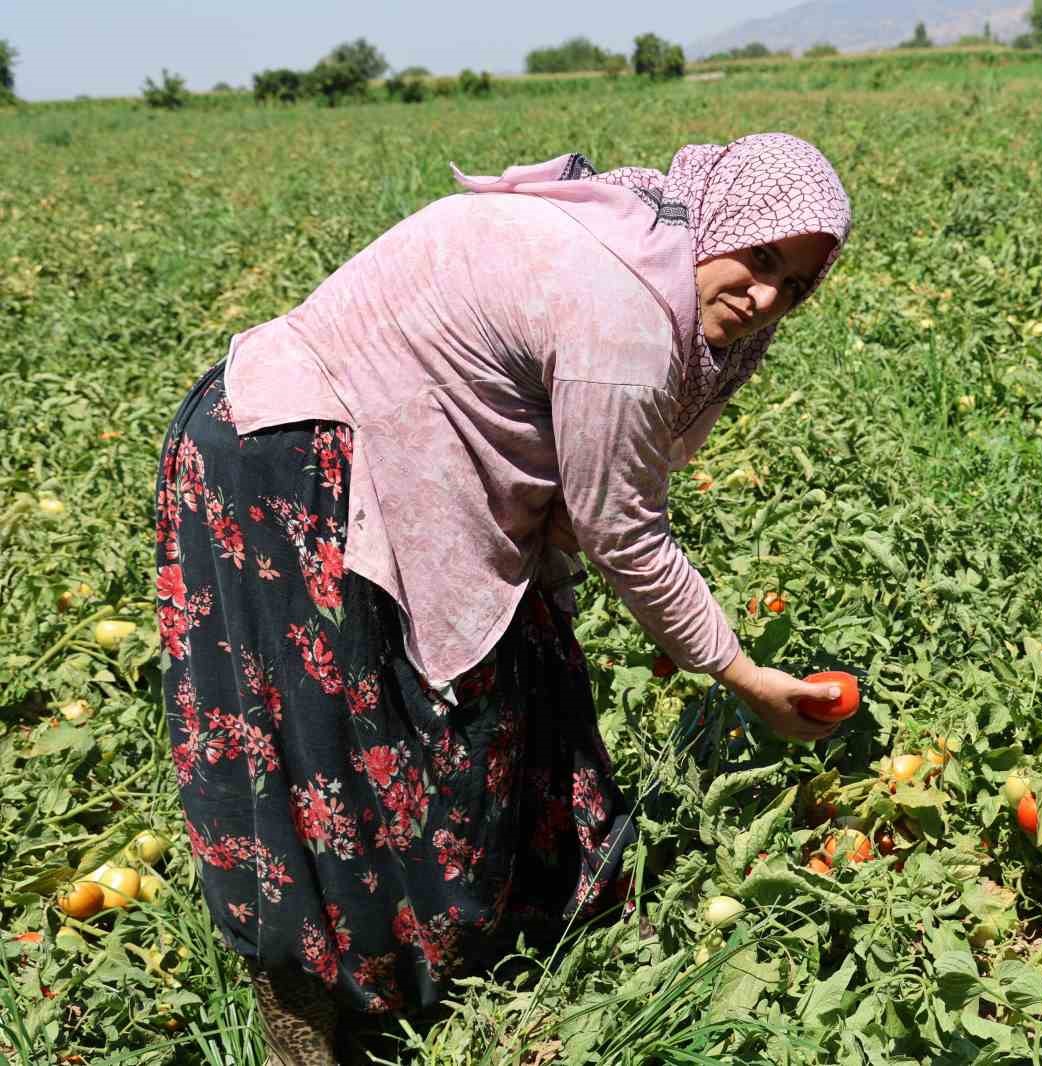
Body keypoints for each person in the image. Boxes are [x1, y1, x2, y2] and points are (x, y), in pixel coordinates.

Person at [153, 132, 852, 1064]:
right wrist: (741, 674)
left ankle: (497, 953)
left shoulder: (642, 237)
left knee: (507, 673)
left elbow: (568, 478)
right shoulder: (630, 320)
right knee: (332, 747)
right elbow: (624, 535)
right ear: (720, 221)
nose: (766, 297)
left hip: (334, 433)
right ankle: (316, 1004)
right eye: (761, 259)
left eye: (795, 286)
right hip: (290, 458)